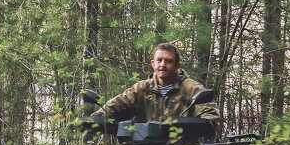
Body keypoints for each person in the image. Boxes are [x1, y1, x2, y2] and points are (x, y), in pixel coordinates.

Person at [93, 43, 221, 123]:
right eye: (159, 60)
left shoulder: (192, 89)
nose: (162, 65)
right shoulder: (141, 89)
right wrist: (94, 120)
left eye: (168, 61)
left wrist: (186, 124)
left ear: (177, 65)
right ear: (153, 64)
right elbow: (116, 105)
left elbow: (211, 118)